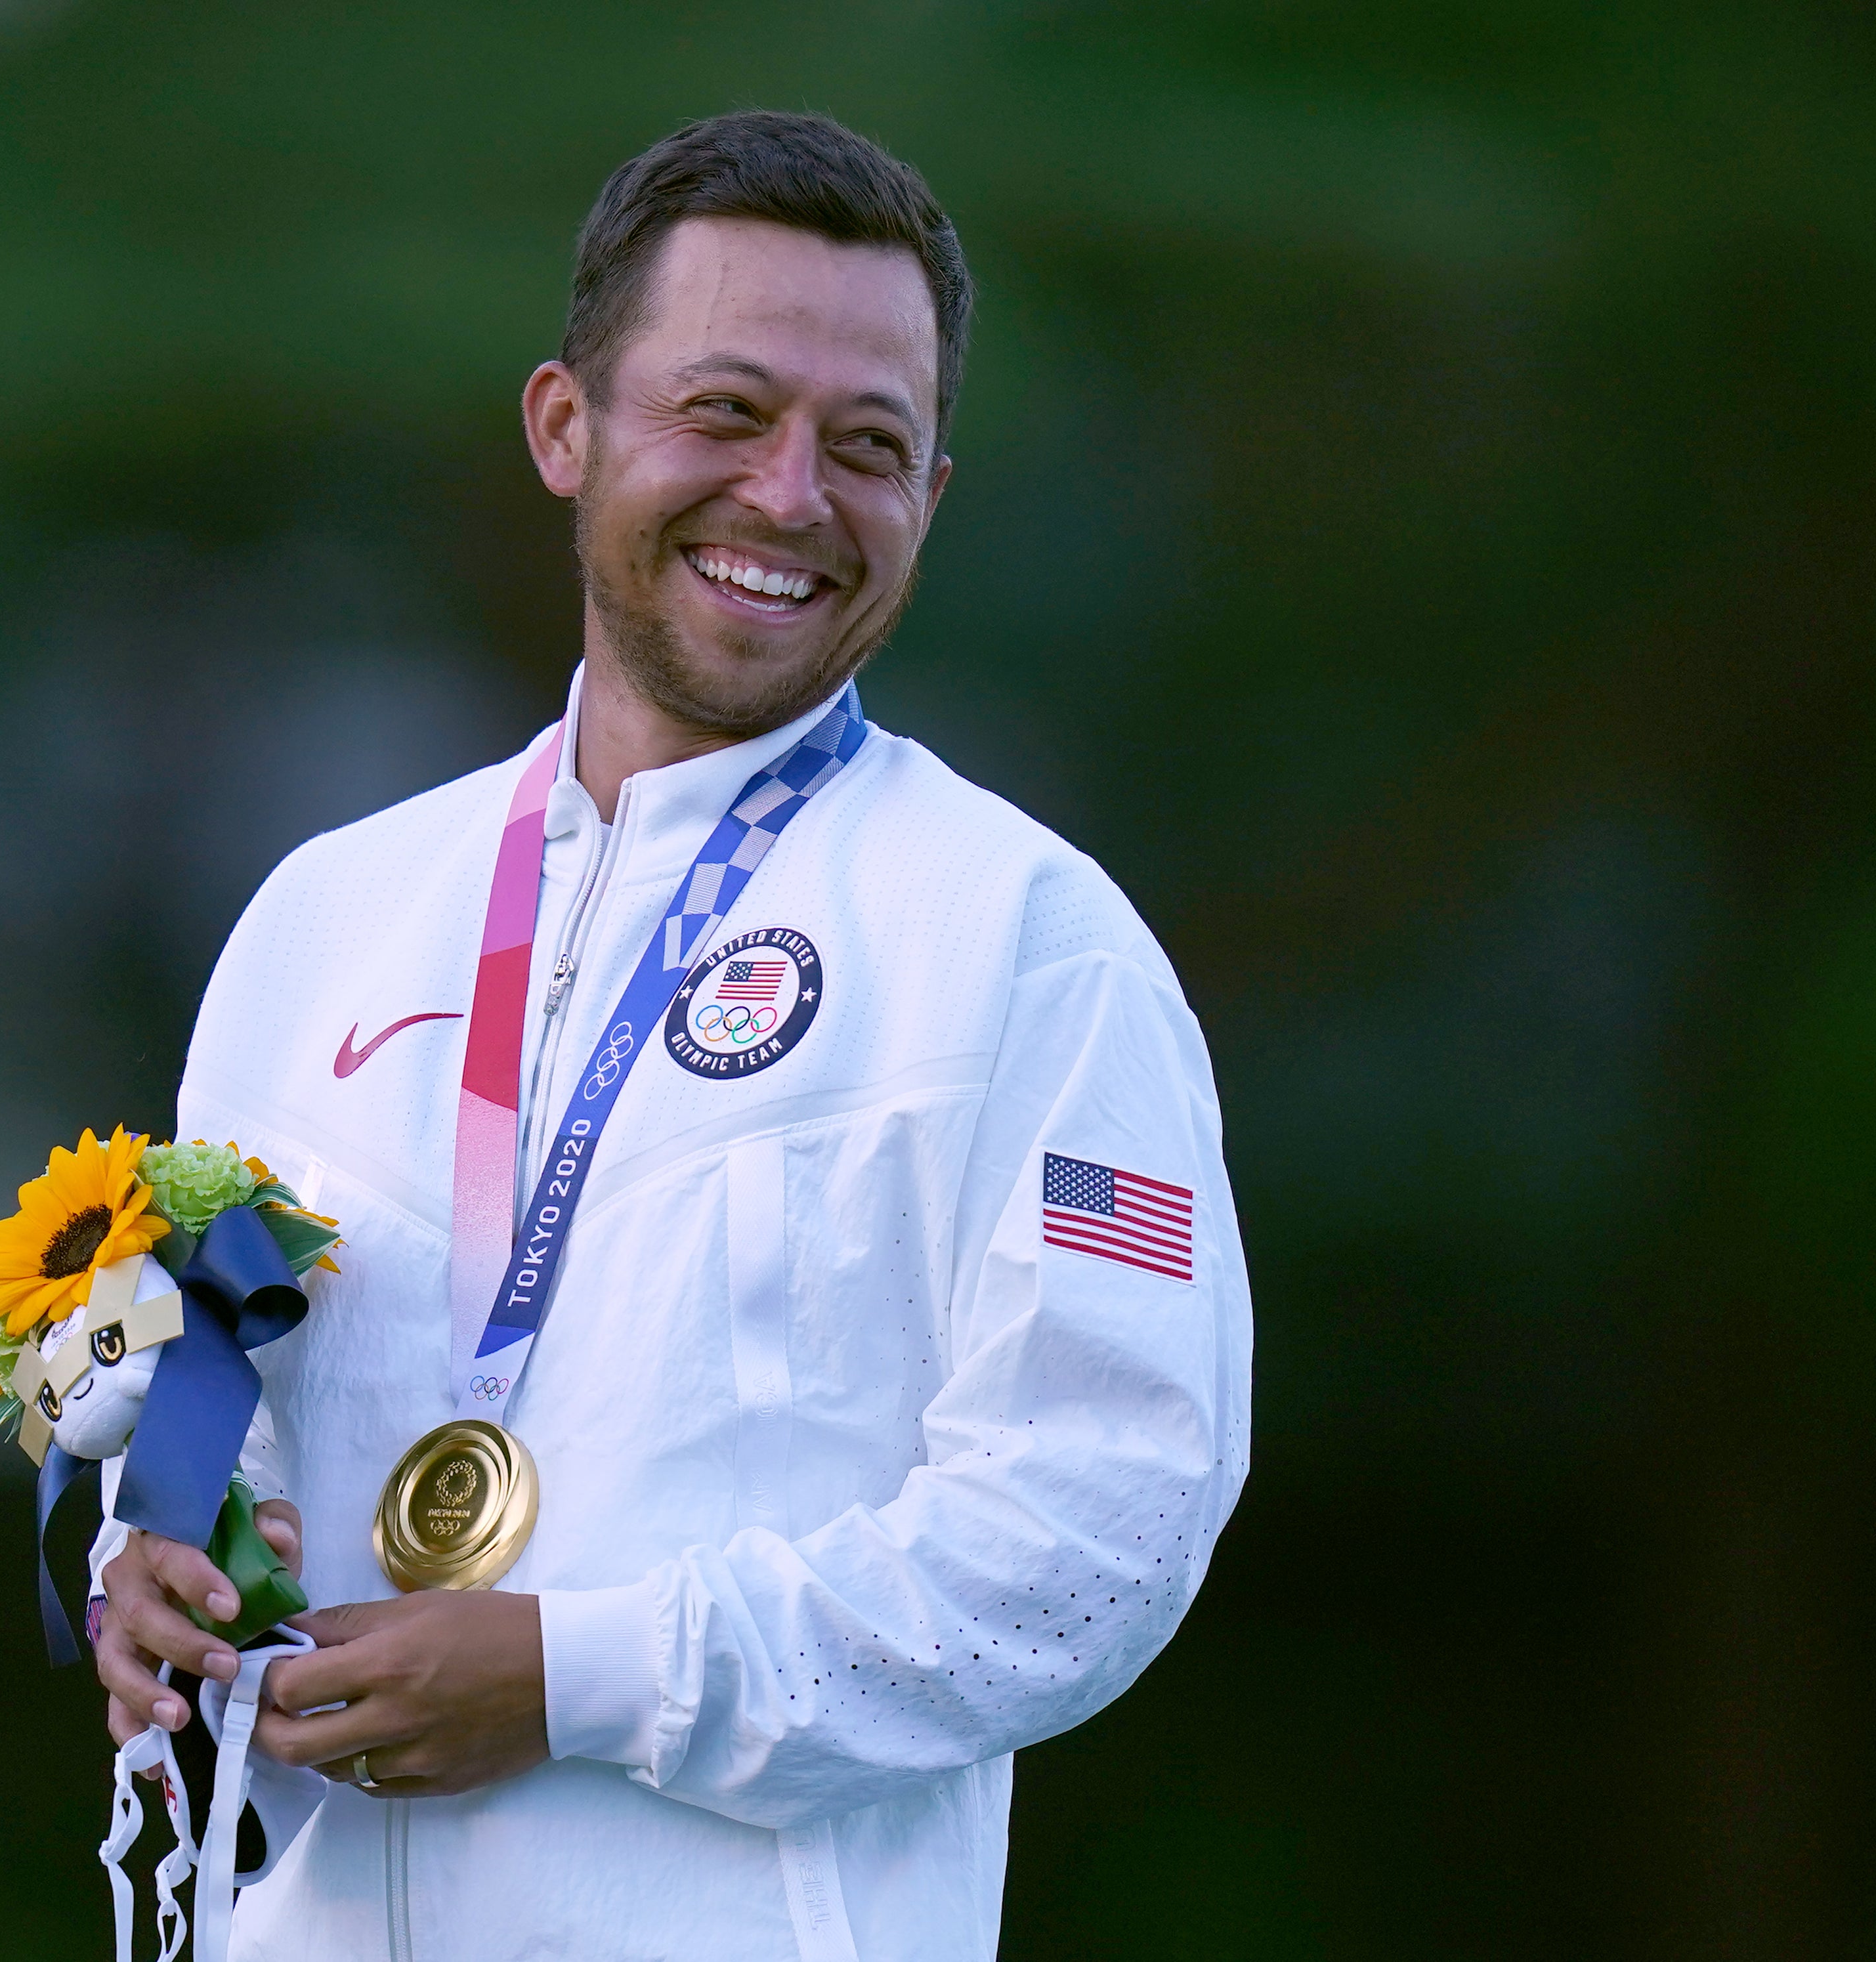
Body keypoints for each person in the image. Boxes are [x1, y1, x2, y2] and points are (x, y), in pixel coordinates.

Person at [88, 109, 1252, 1962]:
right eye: (725, 413)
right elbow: (225, 1402)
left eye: (865, 447)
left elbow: (1094, 1531)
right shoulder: (327, 915)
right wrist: (153, 1561)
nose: (790, 496)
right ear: (566, 428)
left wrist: (581, 1673)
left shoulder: (1027, 940)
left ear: (929, 495)